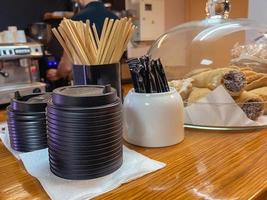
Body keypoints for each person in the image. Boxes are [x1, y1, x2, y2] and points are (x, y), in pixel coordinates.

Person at [46, 0, 118, 81]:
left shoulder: (76, 20)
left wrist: (58, 73)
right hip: (113, 85)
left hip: (87, 87)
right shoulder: (117, 19)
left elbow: (67, 67)